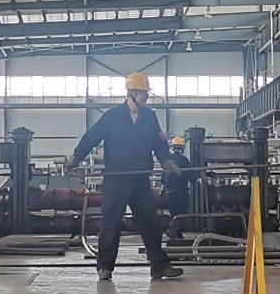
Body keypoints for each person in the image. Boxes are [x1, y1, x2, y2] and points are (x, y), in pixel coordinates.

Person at [69, 73, 186, 283]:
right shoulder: (113, 116)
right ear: (131, 92)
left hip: (140, 178)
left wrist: (166, 161)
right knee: (111, 223)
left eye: (146, 93)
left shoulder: (149, 117)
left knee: (150, 222)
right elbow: (92, 137)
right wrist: (76, 157)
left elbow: (159, 143)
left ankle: (159, 266)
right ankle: (105, 267)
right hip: (116, 179)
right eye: (142, 92)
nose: (146, 96)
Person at [162, 136, 195, 244]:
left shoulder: (168, 161)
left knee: (174, 215)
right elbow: (190, 176)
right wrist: (198, 179)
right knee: (181, 214)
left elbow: (162, 178)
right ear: (183, 148)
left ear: (172, 147)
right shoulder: (184, 160)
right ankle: (172, 231)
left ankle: (177, 234)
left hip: (169, 193)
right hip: (180, 192)